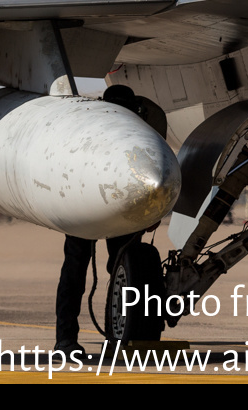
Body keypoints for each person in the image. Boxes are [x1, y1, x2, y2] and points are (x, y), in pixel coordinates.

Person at [51, 84, 168, 354]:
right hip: (89, 205)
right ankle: (92, 338)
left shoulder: (116, 127)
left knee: (91, 271)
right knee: (111, 270)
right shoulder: (125, 128)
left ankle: (77, 339)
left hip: (112, 208)